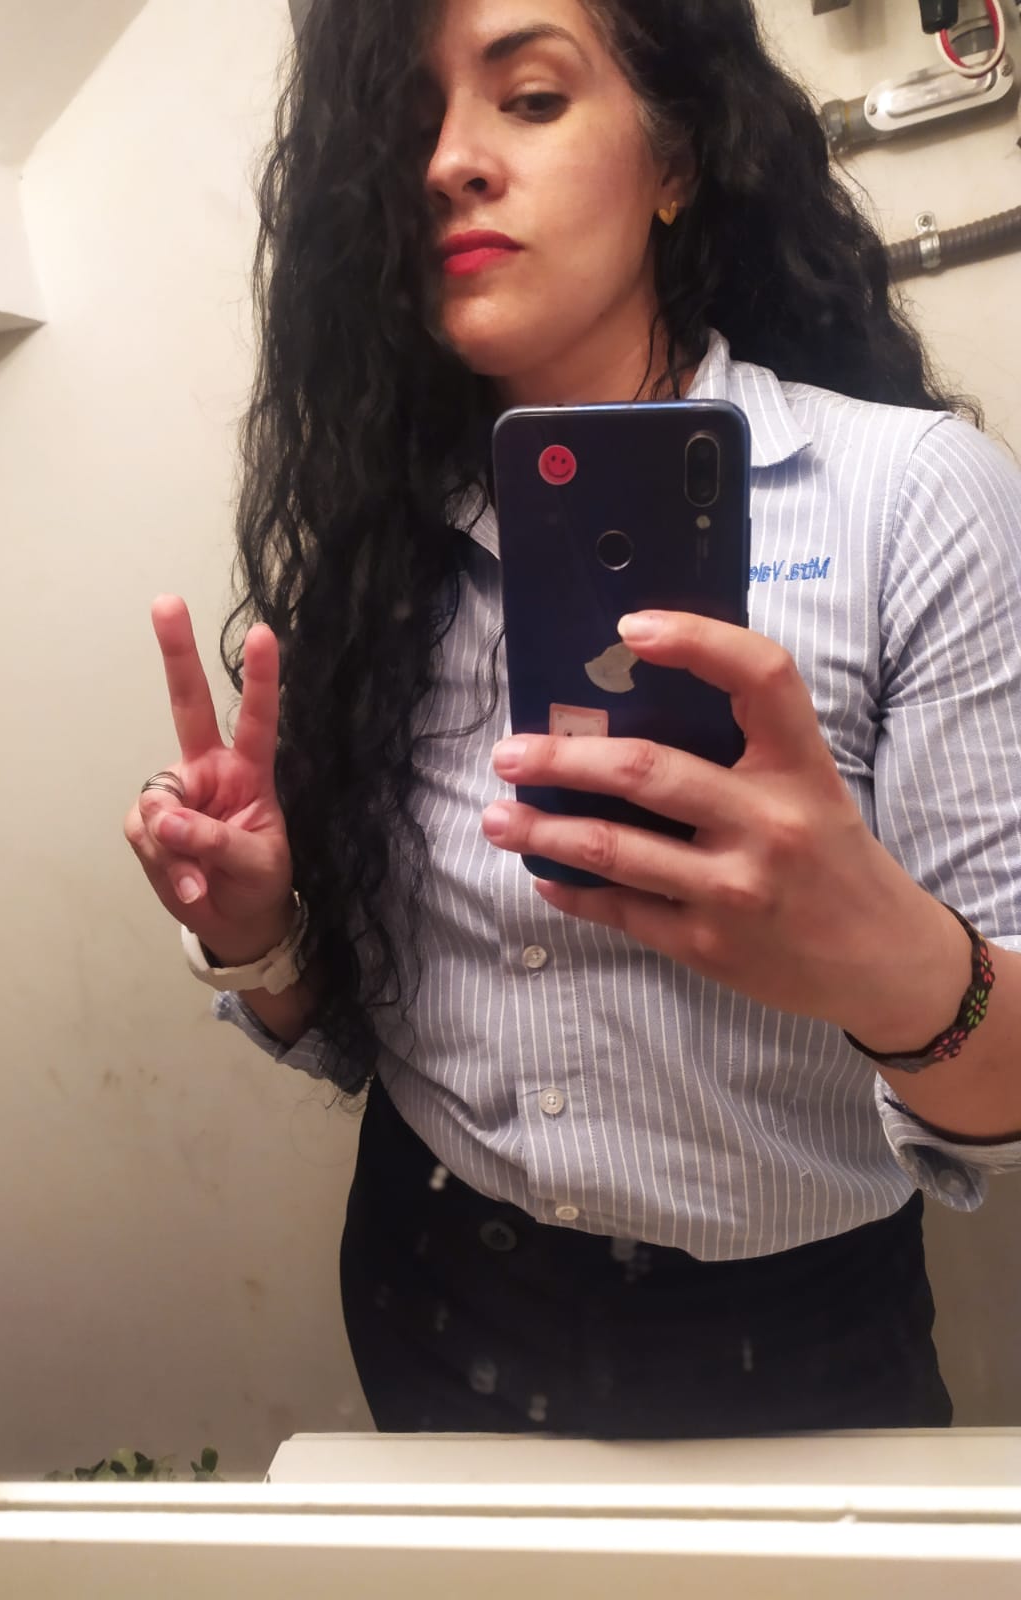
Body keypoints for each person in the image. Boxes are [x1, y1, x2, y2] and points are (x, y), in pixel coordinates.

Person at [124, 0, 1021, 1437]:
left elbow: (1008, 1105)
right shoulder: (378, 544)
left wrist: (890, 956)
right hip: (432, 1288)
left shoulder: (914, 502)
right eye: (409, 122)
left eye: (532, 98)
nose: (449, 163)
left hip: (795, 1352)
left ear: (675, 159)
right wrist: (260, 931)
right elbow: (353, 1032)